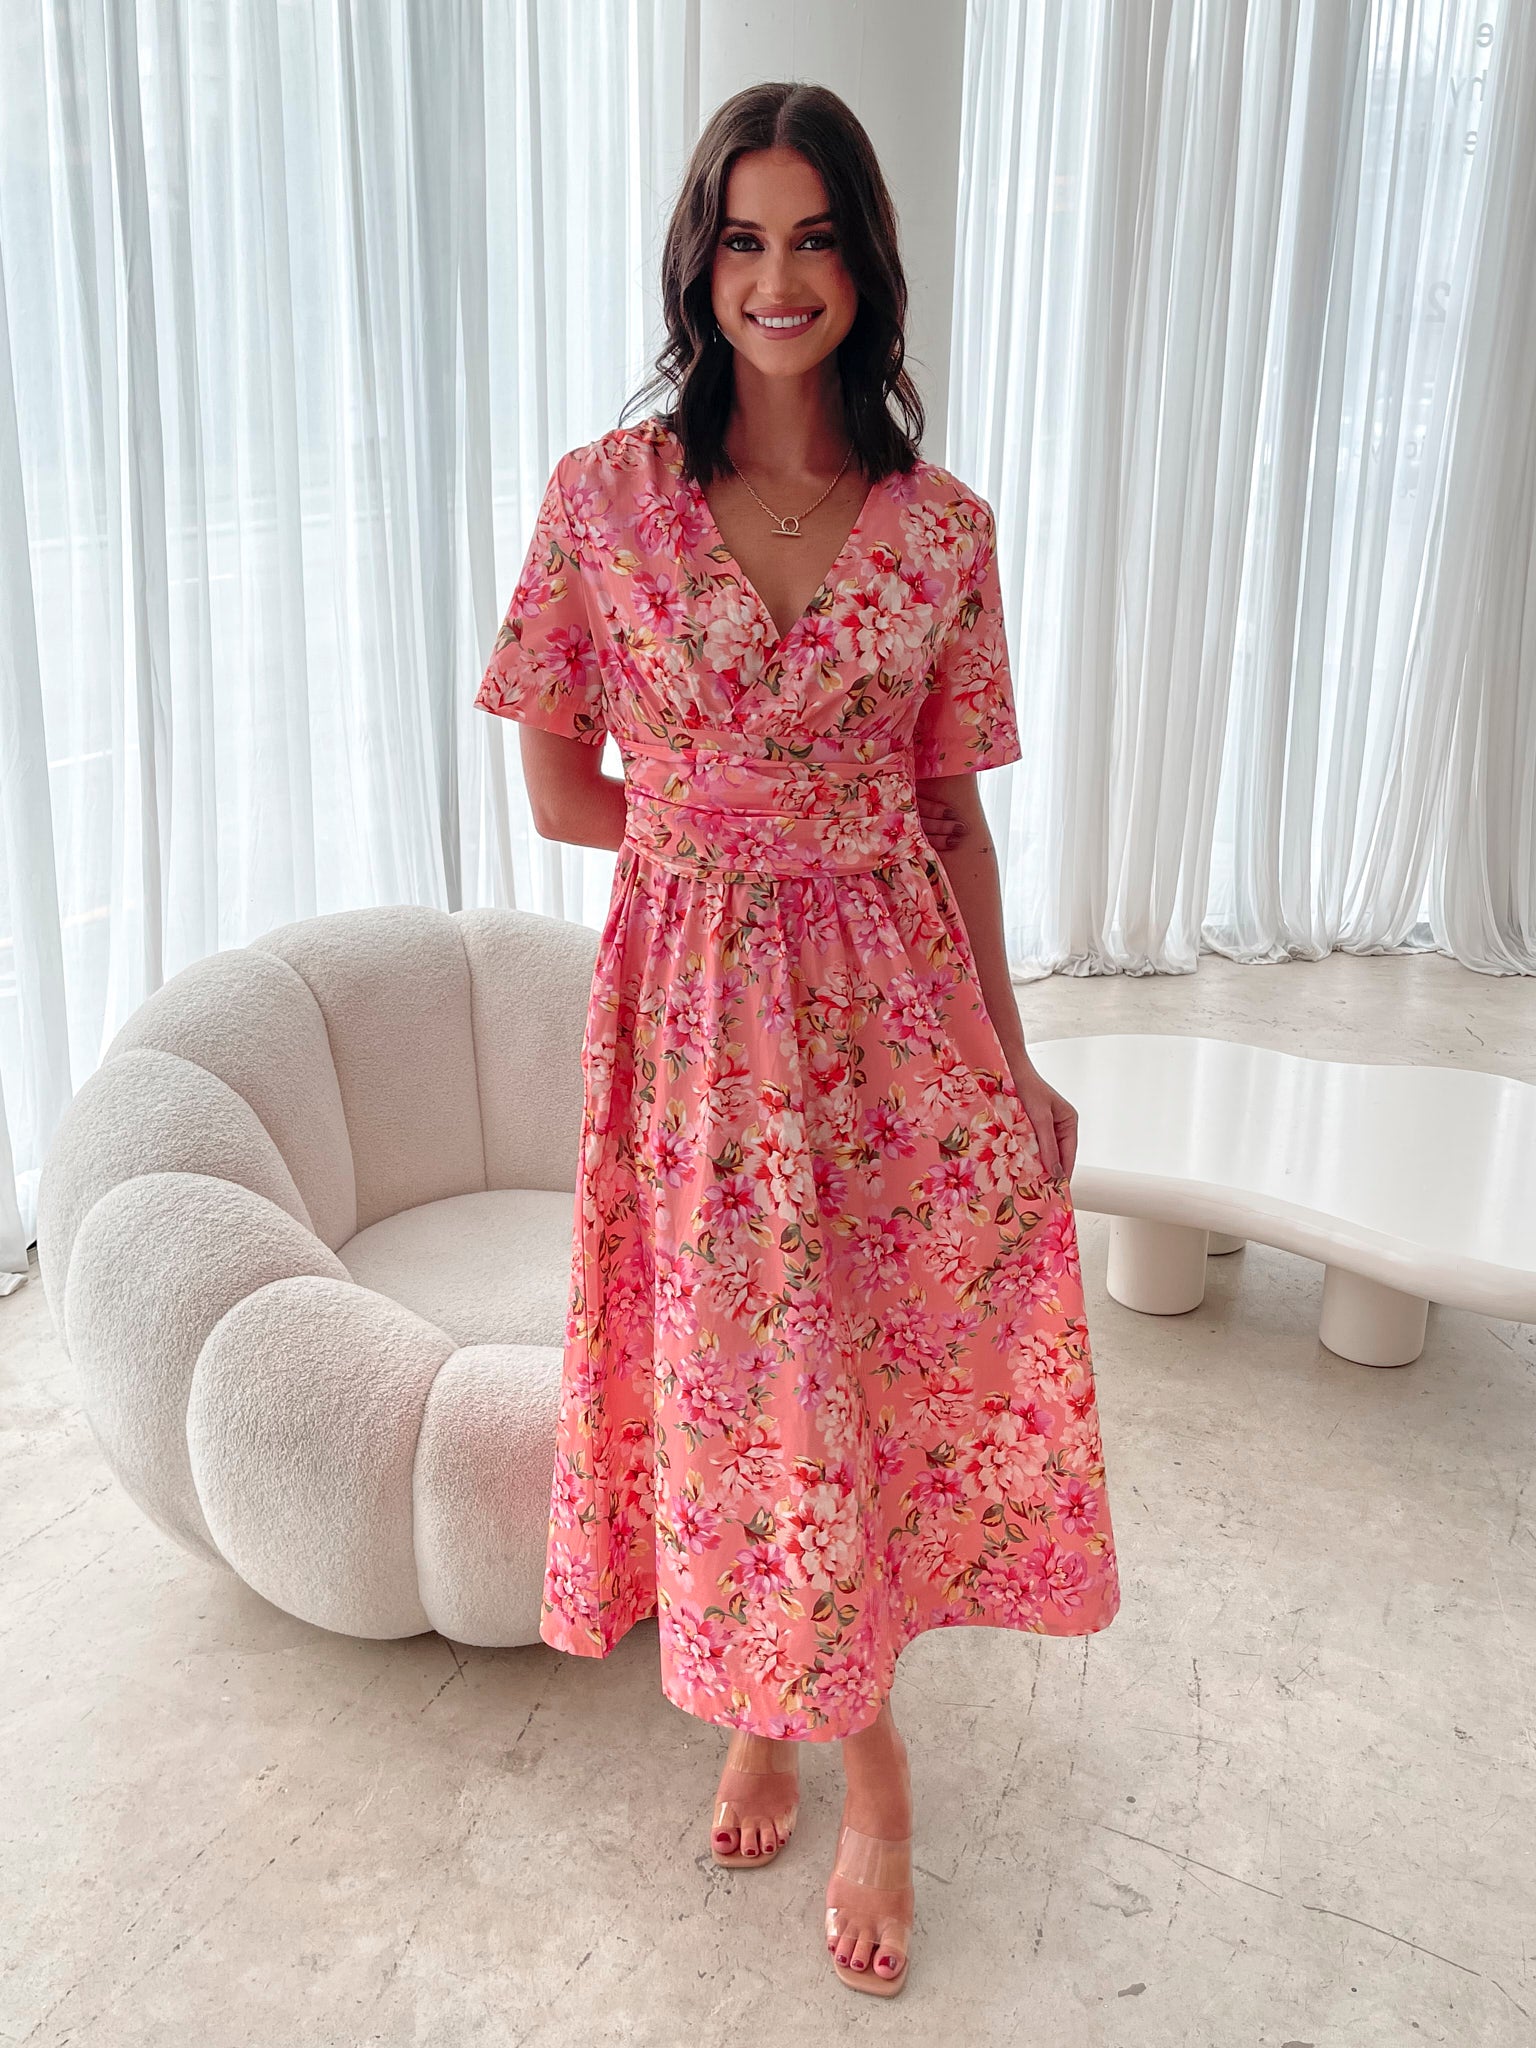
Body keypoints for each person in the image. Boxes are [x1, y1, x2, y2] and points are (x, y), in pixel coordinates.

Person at [474, 80, 1121, 1998]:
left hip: (893, 1021)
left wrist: (1012, 1061)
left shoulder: (943, 532)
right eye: (745, 239)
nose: (779, 277)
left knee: (868, 1383)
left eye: (815, 238)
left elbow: (952, 819)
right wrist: (727, 833)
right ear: (701, 265)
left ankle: (855, 1756)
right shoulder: (603, 499)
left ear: (865, 266)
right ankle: (792, 1717)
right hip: (688, 1024)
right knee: (736, 1388)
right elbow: (557, 788)